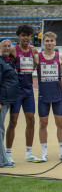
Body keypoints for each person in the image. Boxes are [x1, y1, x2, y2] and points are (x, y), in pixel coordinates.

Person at [34, 31, 62, 162]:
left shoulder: (60, 57)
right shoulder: (37, 58)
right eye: (46, 41)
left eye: (51, 41)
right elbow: (26, 71)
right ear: (43, 43)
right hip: (43, 96)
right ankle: (44, 153)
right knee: (43, 123)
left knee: (60, 123)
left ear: (55, 42)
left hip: (57, 96)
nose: (49, 43)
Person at [6, 25, 40, 164]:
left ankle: (29, 153)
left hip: (28, 89)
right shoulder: (13, 50)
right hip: (16, 90)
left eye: (28, 35)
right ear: (19, 36)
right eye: (23, 35)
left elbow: (37, 63)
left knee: (31, 120)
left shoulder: (33, 50)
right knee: (13, 121)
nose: (26, 37)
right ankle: (8, 153)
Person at [0, 39, 19, 168]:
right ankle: (3, 161)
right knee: (0, 130)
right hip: (2, 100)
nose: (7, 48)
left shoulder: (9, 61)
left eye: (9, 46)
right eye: (4, 46)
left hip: (7, 100)